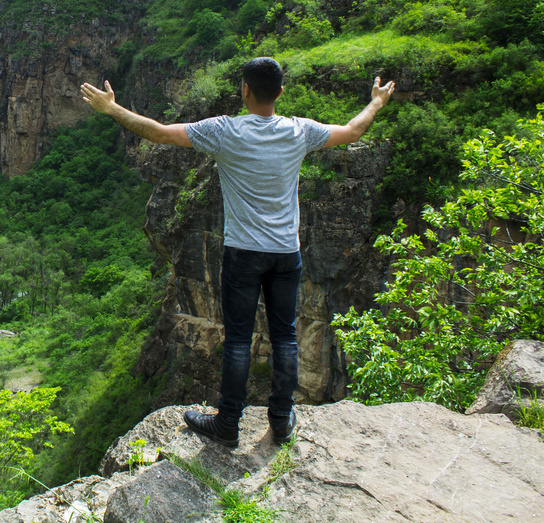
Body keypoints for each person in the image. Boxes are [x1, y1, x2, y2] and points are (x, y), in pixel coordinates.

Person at [80, 57, 394, 447]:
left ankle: (228, 422)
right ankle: (280, 419)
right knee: (285, 338)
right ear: (280, 92)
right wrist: (377, 101)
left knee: (238, 340)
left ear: (244, 90)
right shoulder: (300, 132)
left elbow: (159, 133)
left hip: (243, 254)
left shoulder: (224, 131)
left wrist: (110, 108)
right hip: (285, 253)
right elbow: (352, 130)